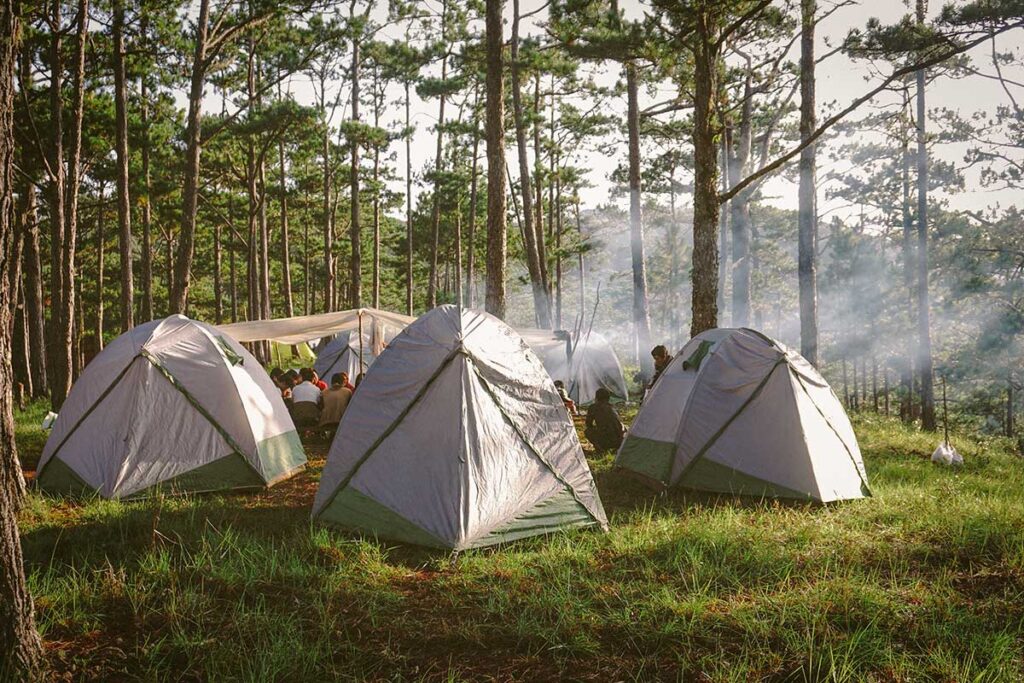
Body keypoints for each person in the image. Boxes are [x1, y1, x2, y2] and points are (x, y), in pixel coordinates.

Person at [585, 387, 624, 453]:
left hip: (605, 440)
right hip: (619, 440)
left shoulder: (593, 407)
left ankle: (600, 449)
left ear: (596, 398)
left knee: (588, 431)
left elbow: (588, 424)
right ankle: (617, 447)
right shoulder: (613, 407)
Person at [319, 372, 353, 440]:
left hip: (326, 421)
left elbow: (321, 407)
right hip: (341, 421)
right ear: (343, 382)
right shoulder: (348, 392)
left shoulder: (324, 392)